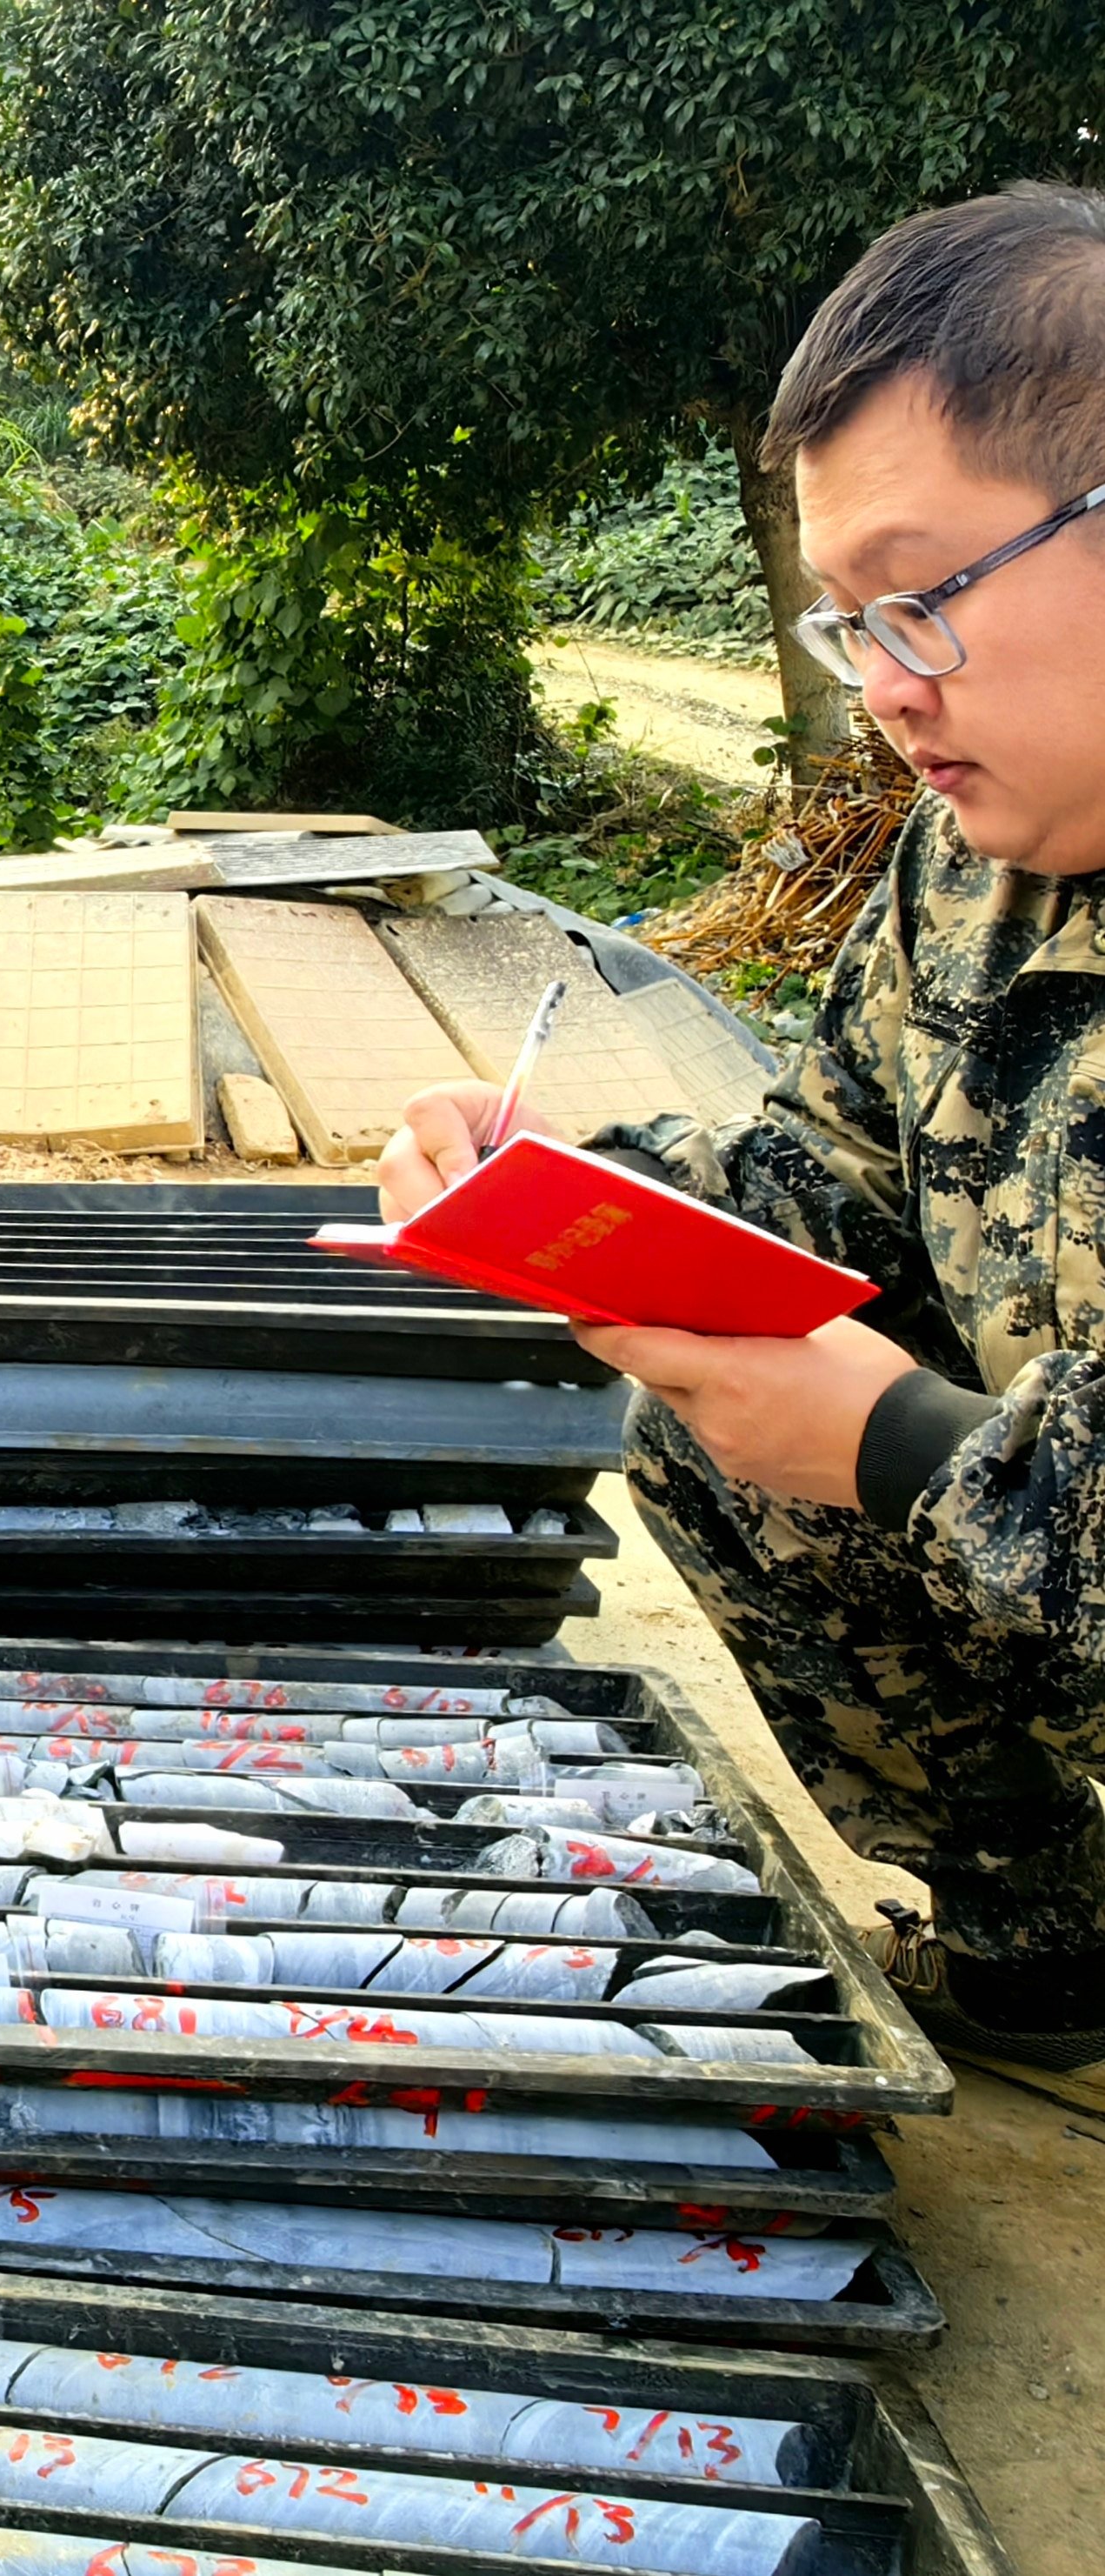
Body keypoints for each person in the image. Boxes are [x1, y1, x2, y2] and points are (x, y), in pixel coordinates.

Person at [378, 186, 1105, 2112]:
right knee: (693, 1399)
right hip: (1040, 1567)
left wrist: (885, 1431)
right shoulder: (976, 865)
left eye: (920, 596)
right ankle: (1052, 1940)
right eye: (842, 620)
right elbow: (831, 1183)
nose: (880, 685)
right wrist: (571, 1199)